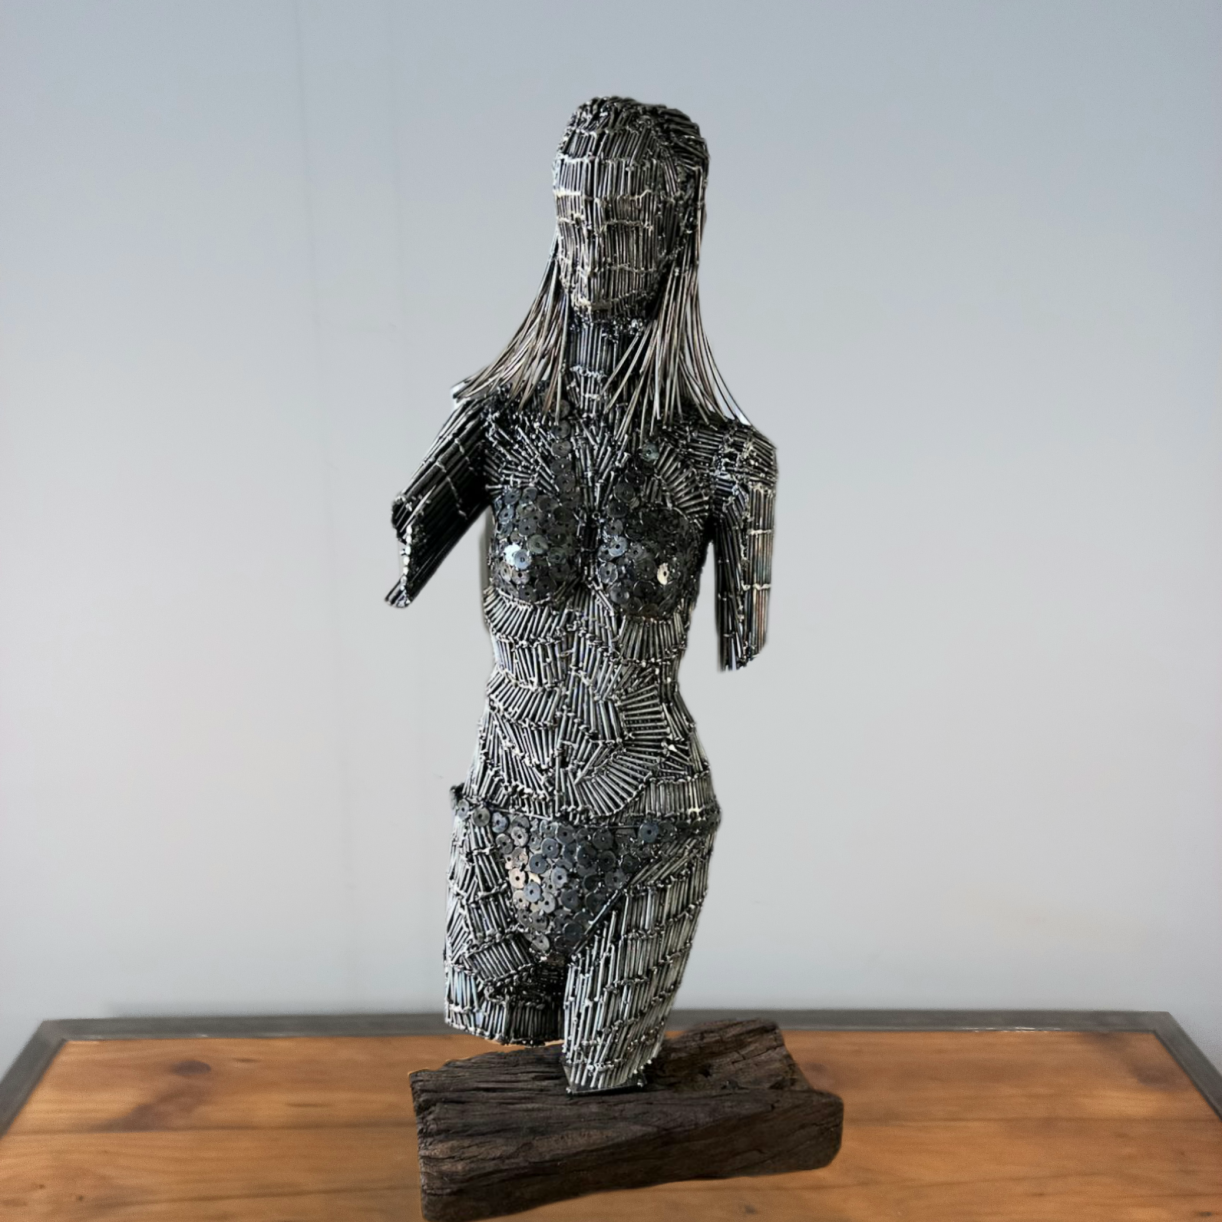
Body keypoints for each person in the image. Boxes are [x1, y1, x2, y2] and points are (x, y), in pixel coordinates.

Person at [387, 96, 776, 1093]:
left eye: (624, 222)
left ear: (675, 231)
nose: (593, 249)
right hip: (503, 820)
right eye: (574, 216)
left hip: (646, 828)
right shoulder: (493, 428)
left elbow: (744, 633)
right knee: (498, 1089)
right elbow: (412, 532)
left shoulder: (726, 466)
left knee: (604, 1081)